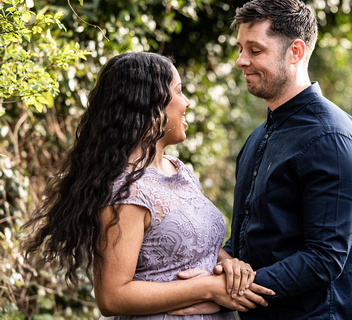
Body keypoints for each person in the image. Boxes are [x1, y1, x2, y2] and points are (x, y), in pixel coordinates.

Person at [22, 52, 274, 318]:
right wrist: (207, 288)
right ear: (149, 106)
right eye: (178, 91)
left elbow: (196, 246)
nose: (187, 102)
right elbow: (112, 296)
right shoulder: (125, 190)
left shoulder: (180, 171)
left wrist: (228, 265)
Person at [180, 0, 352, 319]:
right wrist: (223, 266)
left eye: (255, 50)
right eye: (241, 49)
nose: (241, 60)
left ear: (295, 52)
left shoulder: (333, 138)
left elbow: (324, 257)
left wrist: (229, 291)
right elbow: (251, 238)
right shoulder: (259, 137)